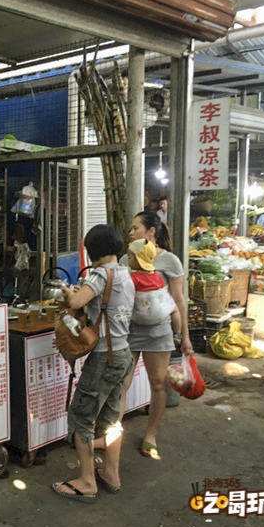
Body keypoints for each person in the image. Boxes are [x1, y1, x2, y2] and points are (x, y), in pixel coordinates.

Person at [94, 211, 192, 462]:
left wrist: (184, 336)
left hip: (159, 331)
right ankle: (113, 434)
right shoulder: (128, 258)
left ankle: (151, 434)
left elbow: (178, 300)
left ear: (151, 232)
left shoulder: (170, 261)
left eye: (135, 228)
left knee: (158, 383)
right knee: (121, 383)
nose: (130, 232)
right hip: (129, 328)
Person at [52, 224, 136, 503]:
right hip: (123, 354)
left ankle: (87, 481)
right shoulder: (126, 273)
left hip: (104, 358)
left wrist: (67, 292)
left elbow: (76, 300)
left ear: (93, 251)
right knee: (111, 420)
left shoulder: (100, 274)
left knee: (80, 417)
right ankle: (112, 474)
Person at [127, 239, 182, 337]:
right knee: (175, 310)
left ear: (138, 260)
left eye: (130, 258)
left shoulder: (133, 278)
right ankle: (177, 333)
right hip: (160, 316)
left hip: (140, 318)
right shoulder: (158, 276)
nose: (128, 261)